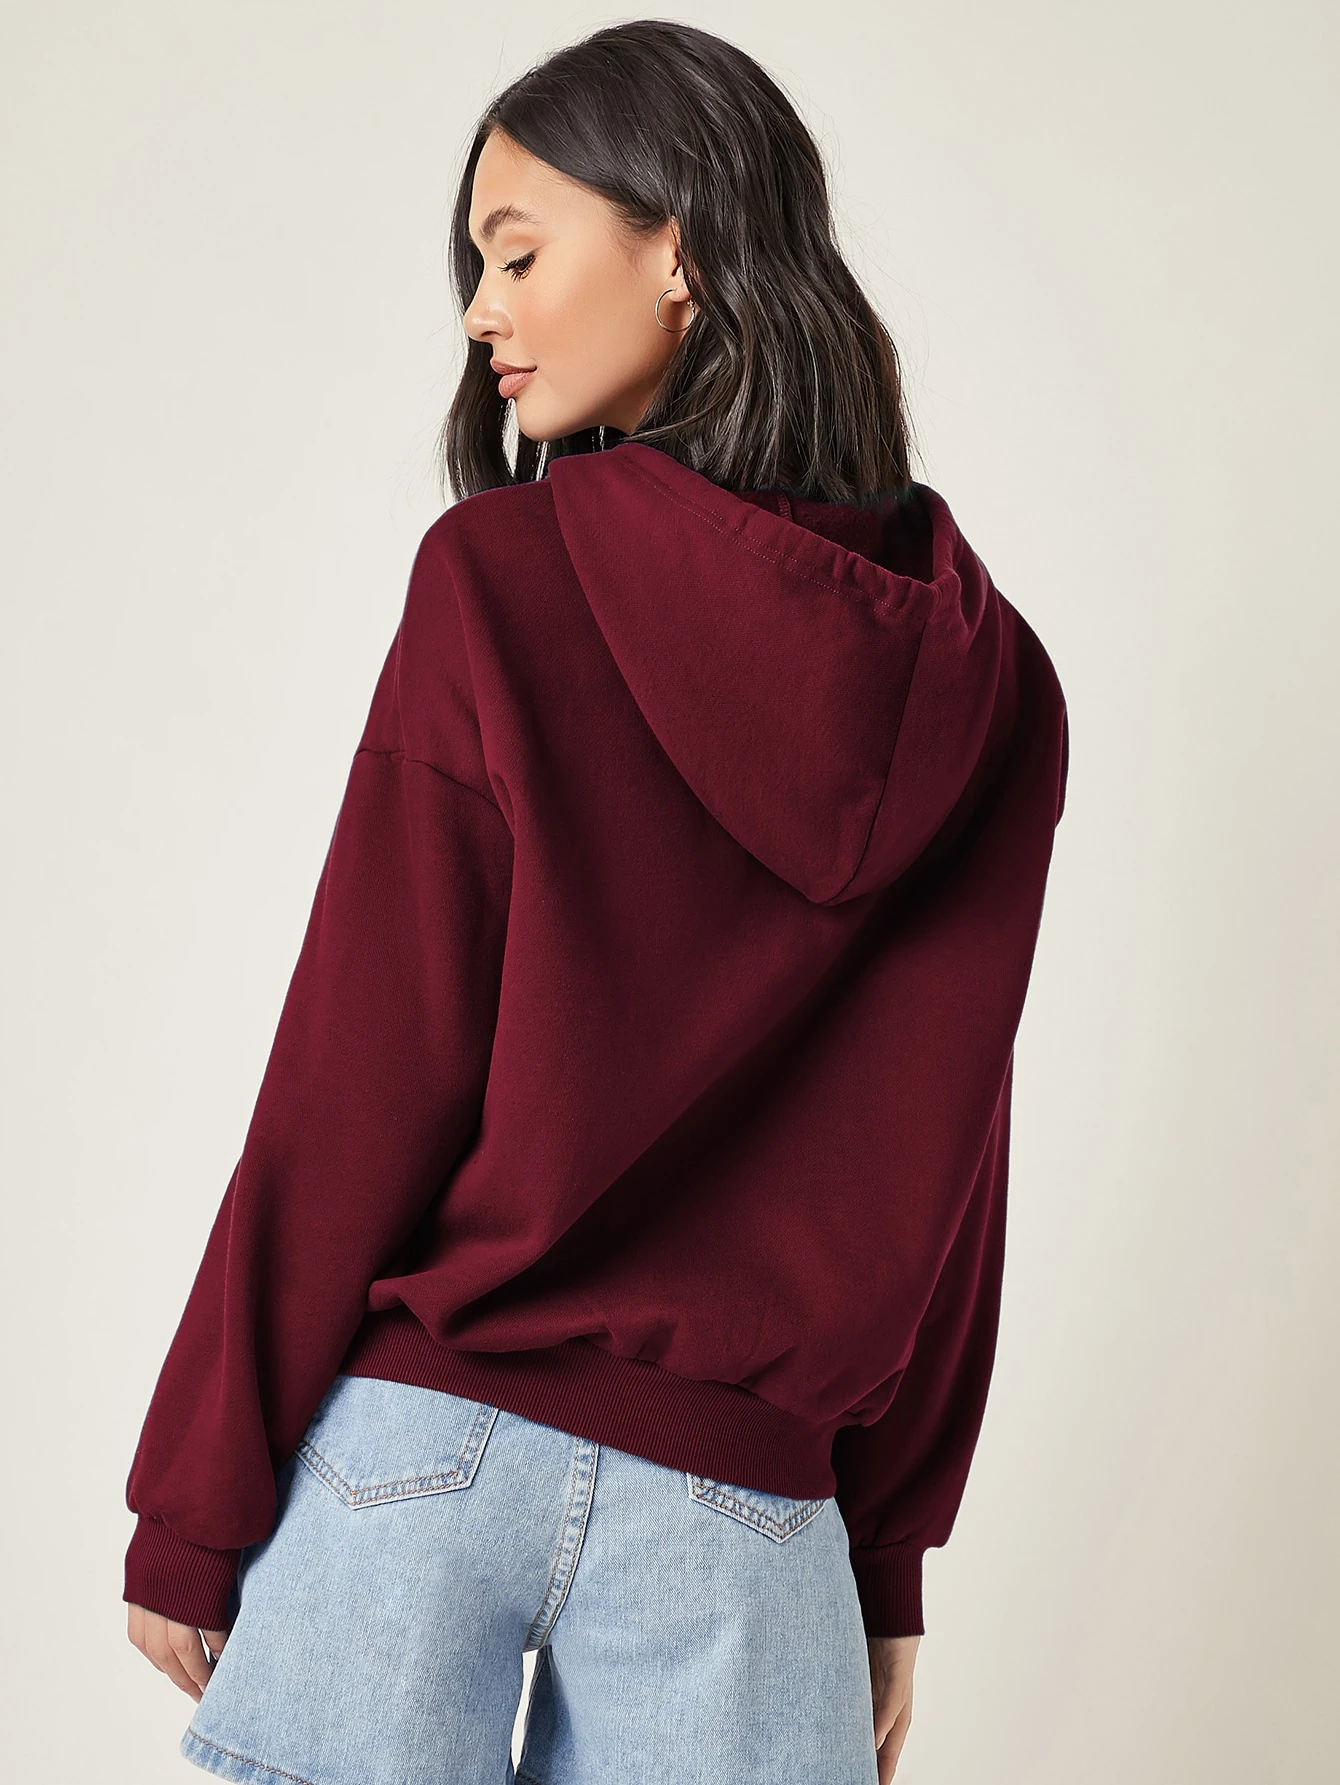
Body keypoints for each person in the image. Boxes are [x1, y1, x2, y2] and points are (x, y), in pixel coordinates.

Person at [122, 20, 1069, 1785]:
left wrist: (196, 1491)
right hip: (749, 1519)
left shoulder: (498, 581)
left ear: (678, 248)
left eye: (515, 252)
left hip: (423, 1454)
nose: (481, 313)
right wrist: (884, 1552)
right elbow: (951, 1152)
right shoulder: (993, 685)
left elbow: (363, 1065)